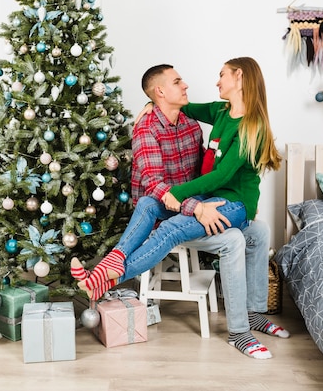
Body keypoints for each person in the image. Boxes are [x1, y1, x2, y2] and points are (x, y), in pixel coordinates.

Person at [74, 59, 289, 359]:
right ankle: (112, 267)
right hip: (192, 204)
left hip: (219, 203)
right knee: (155, 205)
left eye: (221, 75)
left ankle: (248, 320)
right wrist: (148, 107)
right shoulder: (213, 114)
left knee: (256, 231)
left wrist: (187, 200)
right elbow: (153, 180)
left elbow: (217, 175)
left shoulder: (233, 127)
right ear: (161, 91)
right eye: (178, 82)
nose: (189, 84)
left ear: (239, 78)